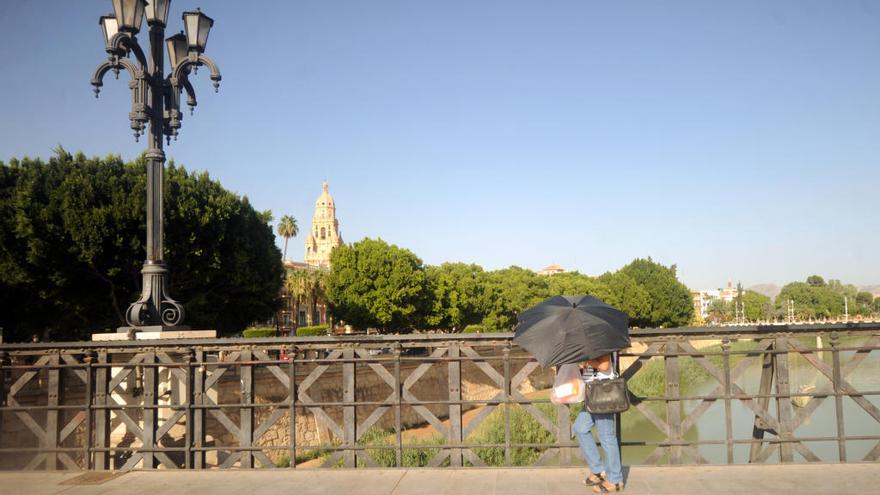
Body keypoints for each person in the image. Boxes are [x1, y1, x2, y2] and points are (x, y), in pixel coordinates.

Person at [573, 353, 625, 493]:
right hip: (591, 394)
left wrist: (586, 359)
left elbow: (604, 366)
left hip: (603, 392)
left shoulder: (601, 339)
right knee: (580, 428)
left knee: (607, 437)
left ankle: (615, 480)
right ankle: (598, 471)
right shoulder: (589, 344)